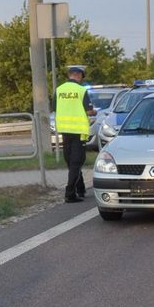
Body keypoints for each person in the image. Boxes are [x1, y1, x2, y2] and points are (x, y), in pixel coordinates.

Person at [54, 65, 96, 203]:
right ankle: (69, 192)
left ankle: (81, 188)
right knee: (77, 161)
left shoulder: (59, 90)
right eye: (81, 77)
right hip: (79, 131)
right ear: (78, 75)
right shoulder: (81, 90)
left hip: (64, 130)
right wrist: (94, 111)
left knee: (71, 161)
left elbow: (54, 108)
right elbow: (89, 112)